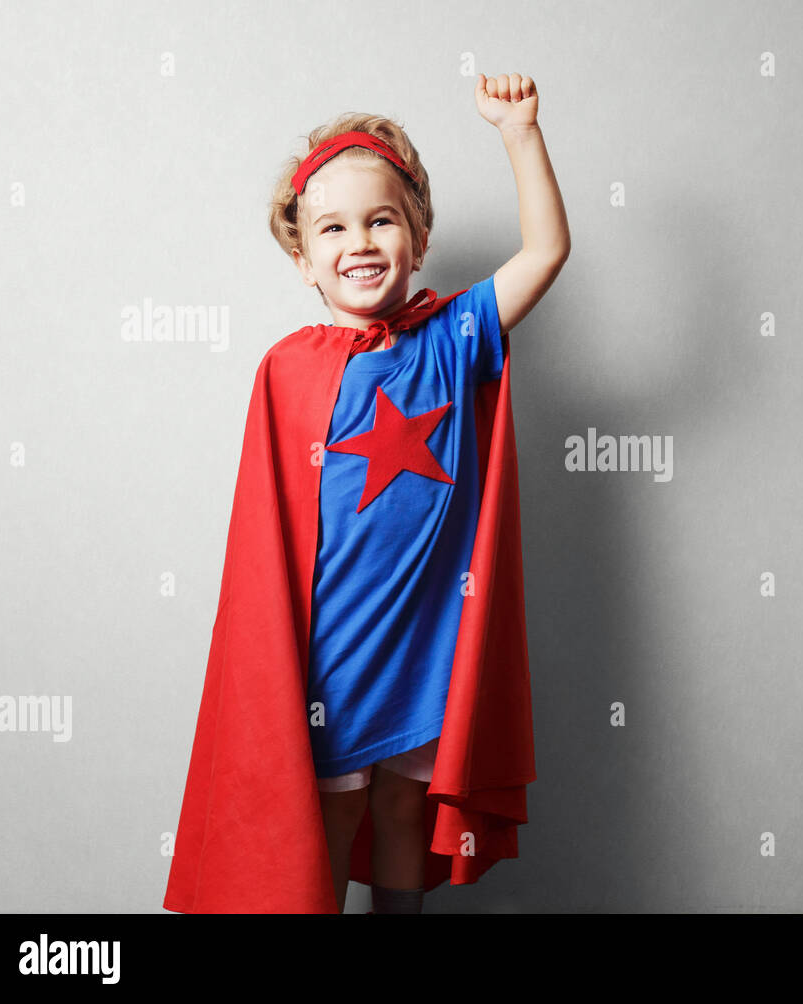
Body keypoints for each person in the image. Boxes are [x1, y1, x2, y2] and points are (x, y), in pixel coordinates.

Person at [167, 72, 567, 915]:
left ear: (419, 239)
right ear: (305, 260)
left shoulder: (456, 338)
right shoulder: (286, 368)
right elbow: (264, 543)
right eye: (334, 227)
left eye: (382, 219)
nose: (360, 241)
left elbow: (545, 254)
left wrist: (520, 133)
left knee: (403, 808)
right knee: (329, 810)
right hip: (331, 652)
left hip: (429, 645)